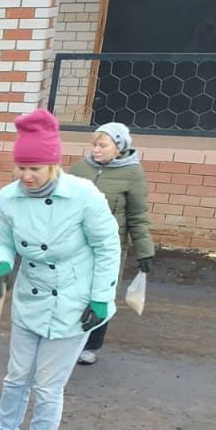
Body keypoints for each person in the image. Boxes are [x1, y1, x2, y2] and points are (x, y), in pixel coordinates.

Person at [0, 109, 121, 430]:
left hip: (75, 301)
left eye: (35, 169)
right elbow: (3, 241)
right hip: (31, 297)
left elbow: (108, 246)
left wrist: (102, 297)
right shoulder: (8, 198)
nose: (26, 176)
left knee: (47, 383)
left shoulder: (83, 195)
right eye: (21, 167)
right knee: (16, 375)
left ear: (53, 165)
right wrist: (2, 265)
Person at [68, 121, 154, 365]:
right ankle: (68, 340)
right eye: (94, 144)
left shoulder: (132, 174)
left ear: (119, 147)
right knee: (73, 290)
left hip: (110, 247)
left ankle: (91, 346)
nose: (96, 149)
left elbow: (138, 215)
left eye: (103, 145)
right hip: (75, 244)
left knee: (101, 292)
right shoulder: (79, 168)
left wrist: (144, 250)